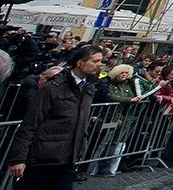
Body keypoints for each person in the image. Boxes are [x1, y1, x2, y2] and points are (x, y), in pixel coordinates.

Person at [7, 44, 102, 190]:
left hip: (67, 158)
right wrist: (18, 159)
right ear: (80, 63)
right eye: (94, 61)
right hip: (41, 158)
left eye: (100, 61)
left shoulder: (88, 87)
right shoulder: (52, 88)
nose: (99, 65)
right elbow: (30, 124)